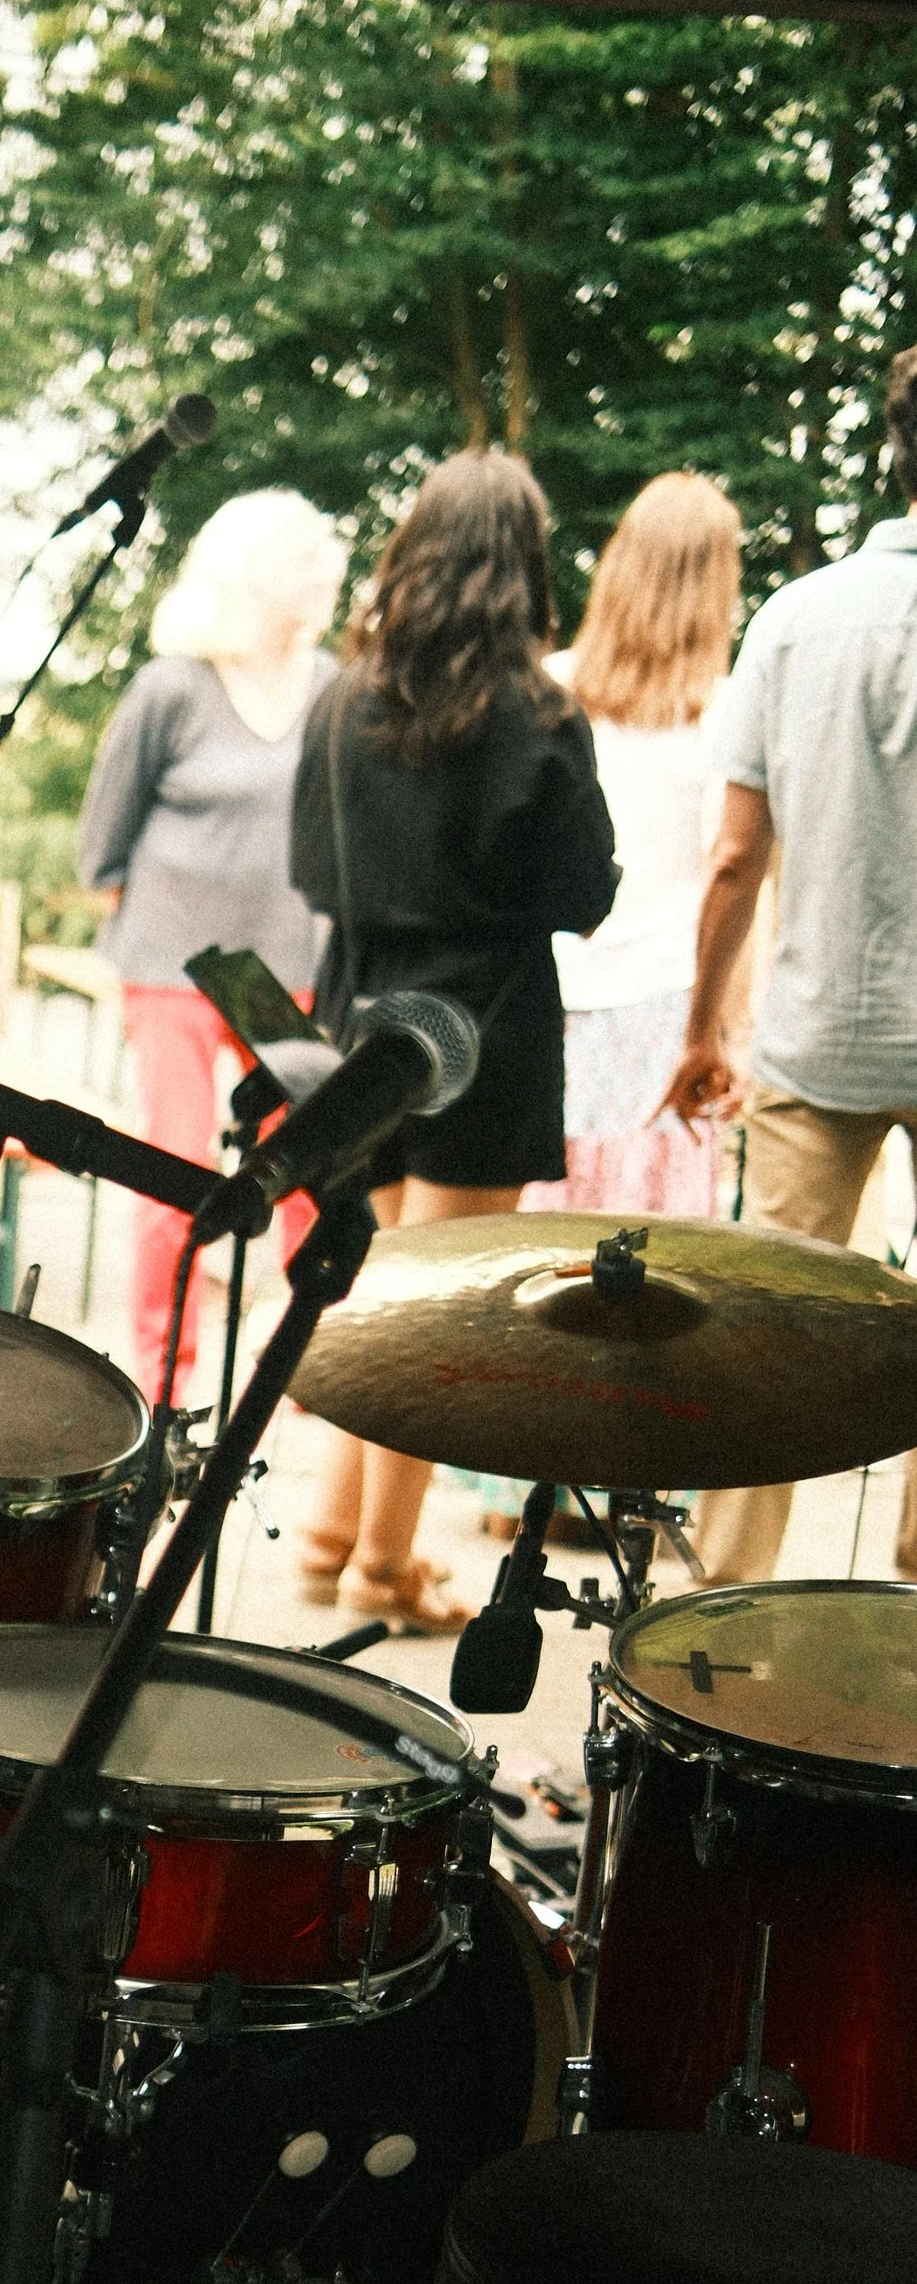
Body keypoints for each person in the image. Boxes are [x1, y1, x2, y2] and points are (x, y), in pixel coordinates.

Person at [292, 450, 620, 1630]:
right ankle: (384, 1569)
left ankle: (333, 1535)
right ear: (522, 567)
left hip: (358, 1012)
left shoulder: (340, 699)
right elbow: (584, 891)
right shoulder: (537, 714)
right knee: (439, 1315)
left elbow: (306, 869)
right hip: (483, 1022)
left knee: (376, 1286)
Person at [666, 346, 917, 1584]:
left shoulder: (796, 617)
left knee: (767, 1329)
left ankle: (722, 1610)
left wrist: (701, 1030)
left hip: (819, 1030)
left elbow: (734, 855)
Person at [75, 489, 348, 1393]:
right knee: (177, 1169)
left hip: (283, 966)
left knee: (311, 1168)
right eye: (306, 568)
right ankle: (164, 1381)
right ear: (254, 576)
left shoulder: (333, 687)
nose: (325, 582)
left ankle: (310, 1365)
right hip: (176, 965)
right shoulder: (172, 687)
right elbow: (103, 840)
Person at [521, 472, 743, 1220]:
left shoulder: (548, 688)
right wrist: (729, 1029)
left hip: (549, 991)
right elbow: (731, 868)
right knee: (651, 1241)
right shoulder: (721, 713)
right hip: (667, 1008)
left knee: (540, 1233)